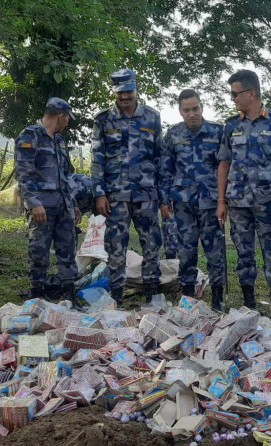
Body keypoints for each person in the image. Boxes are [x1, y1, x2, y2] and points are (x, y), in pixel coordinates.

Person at [216, 69, 271, 317]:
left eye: (235, 93)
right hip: (238, 203)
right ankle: (249, 303)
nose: (233, 99)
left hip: (268, 201)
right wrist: (221, 201)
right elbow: (223, 163)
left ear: (251, 93)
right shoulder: (231, 125)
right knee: (243, 253)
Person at [91, 69, 164, 305]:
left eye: (128, 91)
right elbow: (97, 158)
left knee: (151, 242)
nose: (125, 97)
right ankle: (117, 296)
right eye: (120, 92)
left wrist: (162, 196)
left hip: (146, 194)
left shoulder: (152, 117)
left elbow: (160, 158)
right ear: (114, 91)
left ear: (136, 90)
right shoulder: (103, 119)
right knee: (116, 245)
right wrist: (99, 193)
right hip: (115, 196)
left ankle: (152, 292)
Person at [161, 89, 227, 311]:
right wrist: (164, 199)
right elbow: (165, 168)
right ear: (180, 112)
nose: (192, 114)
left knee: (215, 251)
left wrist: (223, 200)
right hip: (183, 204)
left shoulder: (217, 132)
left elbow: (226, 167)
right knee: (186, 251)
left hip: (210, 203)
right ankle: (187, 297)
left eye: (195, 109)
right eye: (186, 110)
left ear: (202, 107)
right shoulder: (173, 135)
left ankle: (218, 298)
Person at [15, 97, 80, 307]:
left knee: (68, 250)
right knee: (39, 251)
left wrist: (73, 203)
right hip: (42, 206)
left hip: (63, 205)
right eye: (67, 118)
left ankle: (70, 295)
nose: (68, 123)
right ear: (60, 117)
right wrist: (34, 203)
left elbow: (65, 175)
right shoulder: (29, 135)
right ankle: (37, 296)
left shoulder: (59, 141)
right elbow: (24, 174)